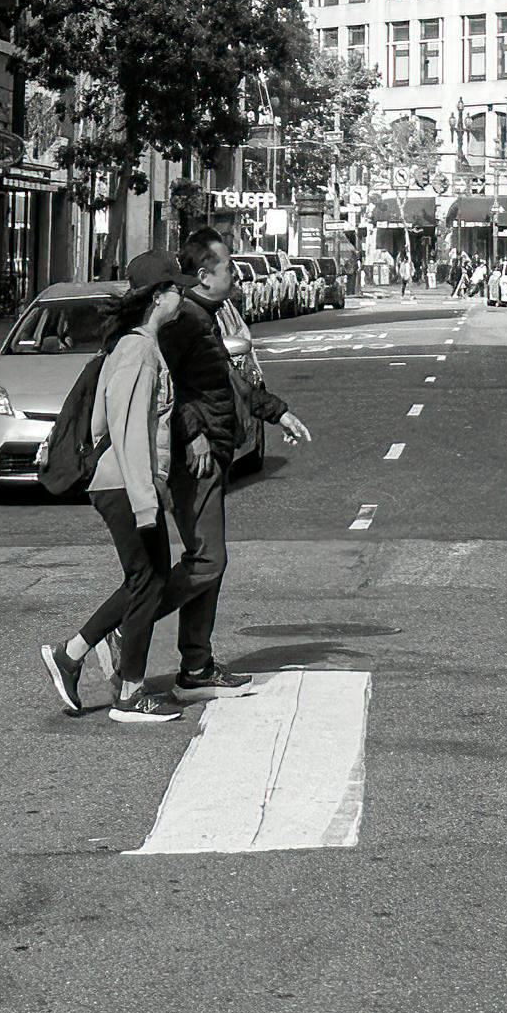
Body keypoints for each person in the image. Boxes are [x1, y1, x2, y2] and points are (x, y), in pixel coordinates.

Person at [158, 199, 311, 701]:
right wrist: (195, 433)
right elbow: (168, 390)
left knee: (209, 561)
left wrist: (277, 412)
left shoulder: (207, 316)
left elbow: (232, 383)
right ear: (205, 274)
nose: (237, 277)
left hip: (216, 453)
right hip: (194, 458)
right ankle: (121, 626)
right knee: (208, 561)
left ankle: (196, 666)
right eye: (229, 268)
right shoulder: (183, 321)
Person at [43, 254, 190, 719]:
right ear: (158, 297)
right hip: (123, 485)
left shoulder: (142, 346)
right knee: (149, 581)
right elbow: (126, 429)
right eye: (177, 289)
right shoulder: (138, 352)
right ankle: (128, 692)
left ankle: (72, 654)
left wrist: (155, 484)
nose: (182, 295)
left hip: (128, 483)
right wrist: (147, 499)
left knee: (147, 579)